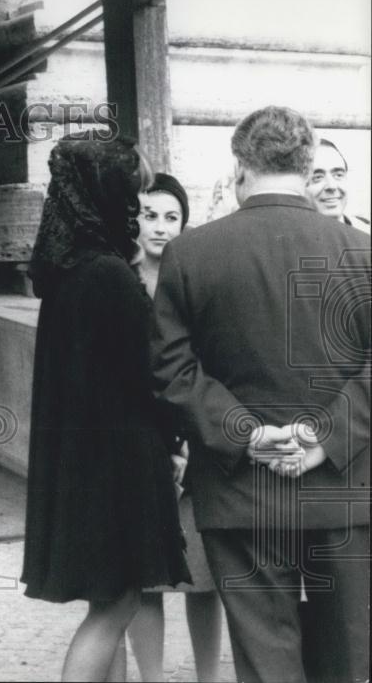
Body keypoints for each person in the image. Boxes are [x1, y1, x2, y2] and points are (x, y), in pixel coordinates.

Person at [152, 106, 370, 683]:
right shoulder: (363, 254)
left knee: (265, 660)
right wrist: (325, 437)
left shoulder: (190, 254)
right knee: (348, 659)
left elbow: (171, 369)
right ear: (306, 163)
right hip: (346, 490)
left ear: (240, 165)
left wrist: (247, 435)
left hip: (240, 494)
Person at [21, 134, 190, 682]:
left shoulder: (67, 272)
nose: (135, 210)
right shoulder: (109, 273)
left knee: (107, 605)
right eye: (132, 194)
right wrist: (179, 437)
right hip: (118, 465)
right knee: (118, 606)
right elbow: (150, 375)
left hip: (83, 463)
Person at [127, 173, 223, 683]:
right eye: (149, 215)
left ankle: (208, 677)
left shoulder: (197, 280)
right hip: (140, 448)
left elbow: (206, 368)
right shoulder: (119, 282)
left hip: (195, 448)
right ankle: (152, 678)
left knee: (204, 577)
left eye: (172, 218)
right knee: (145, 580)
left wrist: (186, 442)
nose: (160, 227)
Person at [305, 138, 371, 234]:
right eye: (318, 177)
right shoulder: (286, 240)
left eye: (338, 175)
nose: (332, 186)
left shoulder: (366, 232)